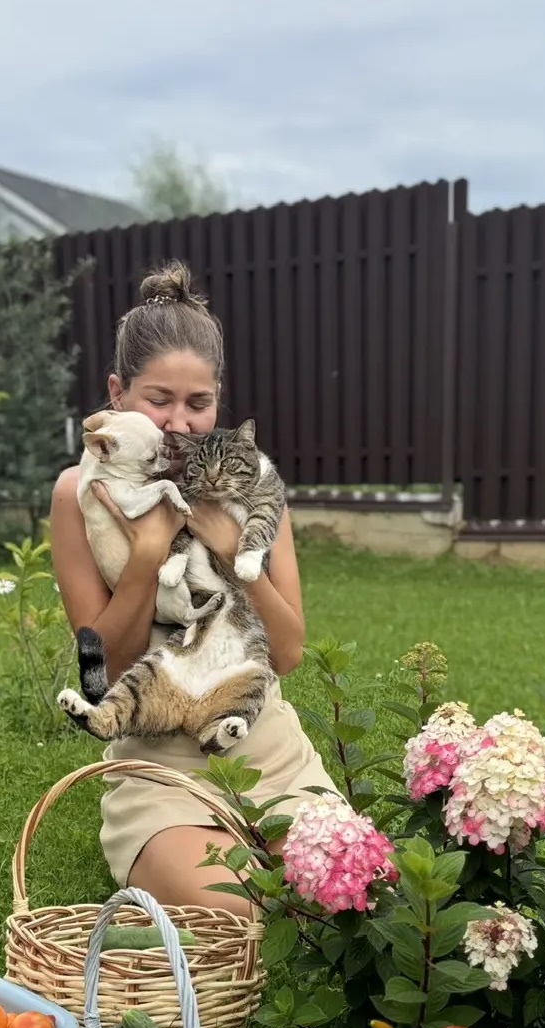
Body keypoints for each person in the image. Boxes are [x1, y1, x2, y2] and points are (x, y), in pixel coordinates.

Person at [49, 260, 336, 915]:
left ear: (218, 401)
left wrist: (234, 550)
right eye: (159, 399)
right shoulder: (79, 496)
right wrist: (149, 556)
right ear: (117, 393)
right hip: (161, 773)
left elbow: (286, 652)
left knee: (353, 896)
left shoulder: (252, 481)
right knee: (246, 911)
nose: (179, 422)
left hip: (268, 751)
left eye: (198, 403)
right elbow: (105, 666)